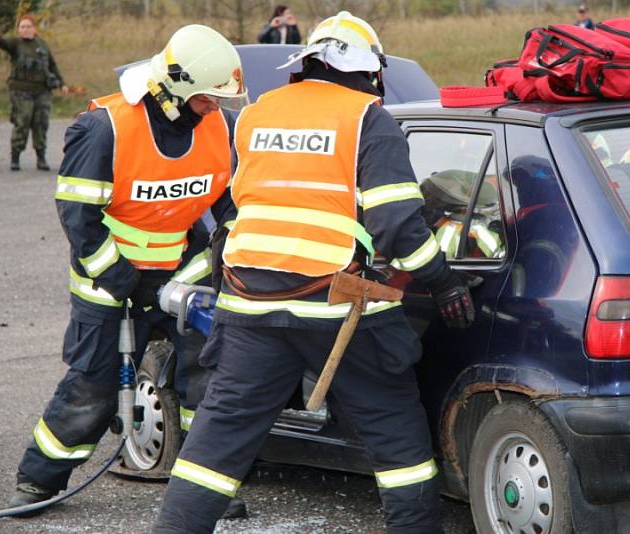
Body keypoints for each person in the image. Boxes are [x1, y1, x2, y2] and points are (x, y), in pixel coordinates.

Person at [154, 11, 476, 534]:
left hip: (249, 307)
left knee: (217, 442)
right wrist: (443, 281)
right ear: (370, 72)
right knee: (398, 442)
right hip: (339, 310)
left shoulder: (258, 114)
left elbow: (235, 210)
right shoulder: (369, 119)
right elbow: (398, 224)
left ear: (307, 65)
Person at [8, 24, 249, 520]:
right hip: (110, 280)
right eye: (208, 99)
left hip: (182, 273)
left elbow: (228, 199)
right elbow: (79, 218)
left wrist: (230, 240)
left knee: (205, 381)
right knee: (93, 388)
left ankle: (202, 488)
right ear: (176, 89)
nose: (216, 109)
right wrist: (122, 278)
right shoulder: (105, 128)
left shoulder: (218, 126)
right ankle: (39, 479)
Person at [0, 14, 68, 172]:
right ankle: (15, 157)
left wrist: (62, 83)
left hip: (42, 92)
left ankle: (41, 158)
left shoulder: (42, 45)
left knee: (41, 124)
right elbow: (3, 43)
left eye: (28, 26)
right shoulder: (15, 44)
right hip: (21, 92)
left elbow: (52, 65)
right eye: (22, 27)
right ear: (18, 29)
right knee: (22, 122)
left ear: (34, 28)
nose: (25, 29)